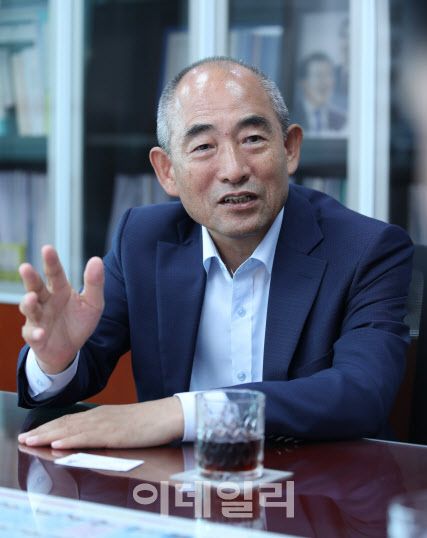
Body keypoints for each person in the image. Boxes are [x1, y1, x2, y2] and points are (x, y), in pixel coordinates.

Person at [17, 56, 413, 450]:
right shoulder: (142, 240)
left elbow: (363, 391)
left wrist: (183, 413)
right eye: (204, 146)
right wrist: (55, 360)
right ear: (167, 171)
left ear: (290, 148)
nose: (234, 169)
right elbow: (82, 368)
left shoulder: (367, 250)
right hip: (178, 483)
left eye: (252, 139)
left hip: (316, 481)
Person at [293, 52, 346, 135]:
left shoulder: (342, 120)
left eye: (328, 75)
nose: (324, 82)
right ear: (304, 82)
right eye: (318, 75)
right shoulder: (290, 117)